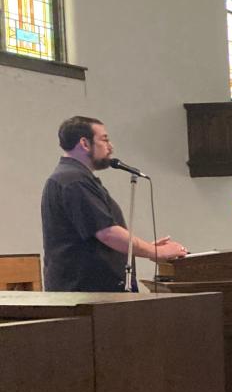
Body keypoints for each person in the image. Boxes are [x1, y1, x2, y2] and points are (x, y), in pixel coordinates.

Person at [41, 116, 189, 292]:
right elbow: (108, 233)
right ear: (84, 143)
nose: (111, 146)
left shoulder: (74, 177)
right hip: (86, 293)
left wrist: (147, 249)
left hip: (92, 291)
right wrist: (156, 252)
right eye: (104, 139)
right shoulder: (73, 181)